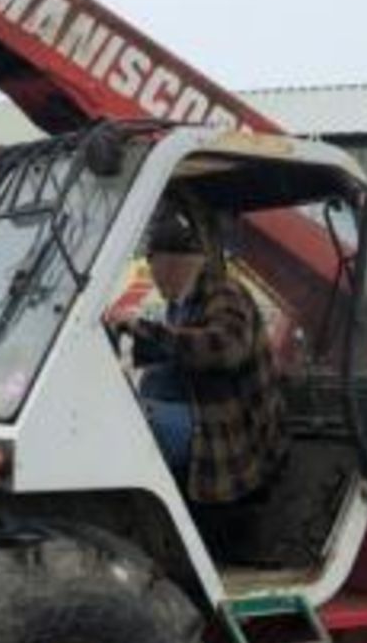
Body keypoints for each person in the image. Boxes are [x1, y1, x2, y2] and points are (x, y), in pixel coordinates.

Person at [118, 202, 287, 506]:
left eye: (152, 263)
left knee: (131, 423)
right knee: (148, 385)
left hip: (236, 436)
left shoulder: (223, 292)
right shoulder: (182, 303)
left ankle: (142, 508)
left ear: (170, 263)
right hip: (210, 410)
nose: (152, 276)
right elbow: (181, 348)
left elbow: (225, 348)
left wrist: (144, 329)